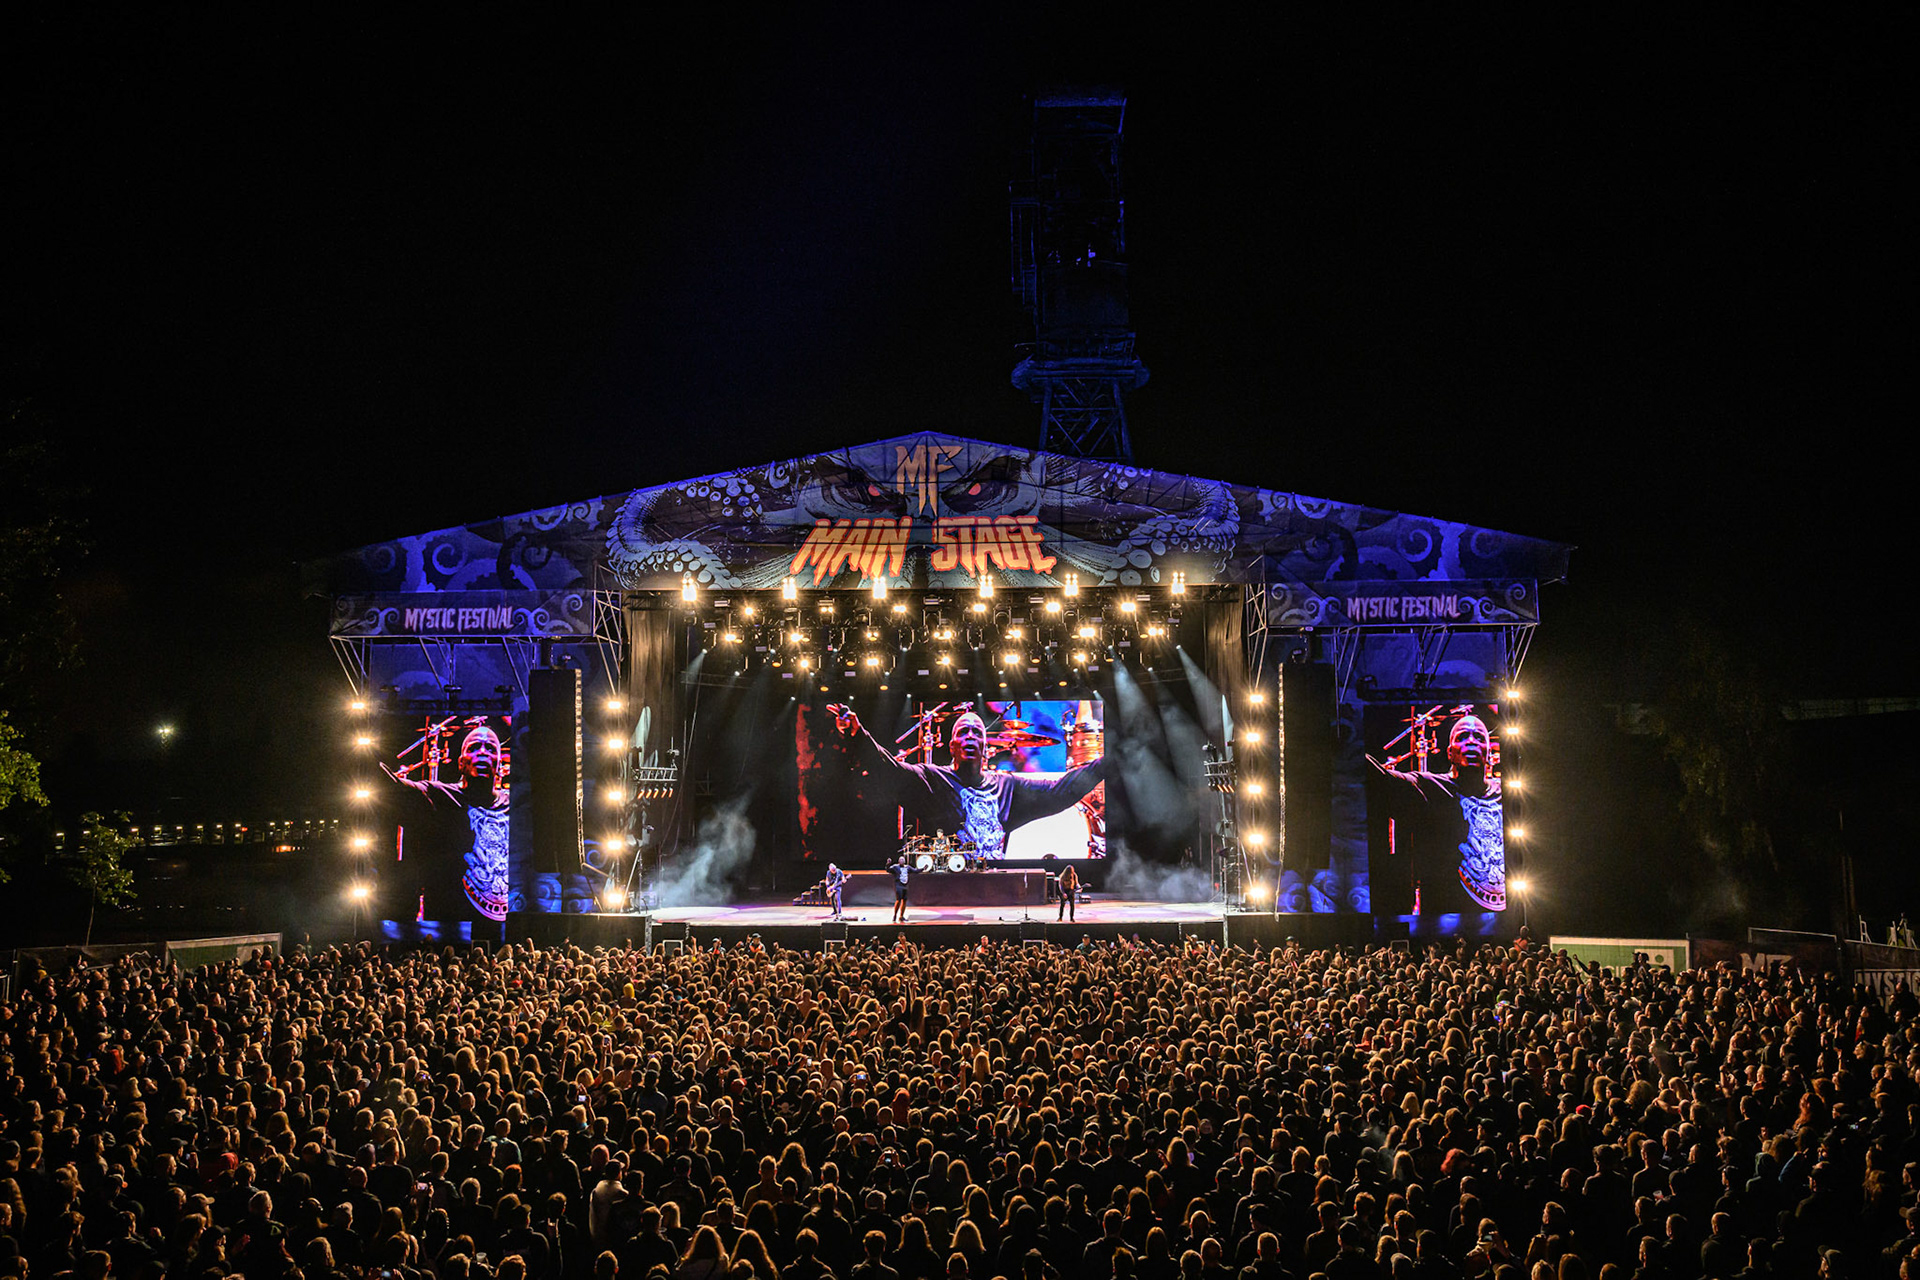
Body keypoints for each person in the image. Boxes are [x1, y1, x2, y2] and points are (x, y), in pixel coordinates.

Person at [826, 706, 1107, 860]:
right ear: (952, 746)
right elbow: (888, 769)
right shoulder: (934, 779)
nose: (971, 737)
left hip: (995, 887)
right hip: (948, 885)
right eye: (963, 732)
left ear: (986, 747)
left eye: (977, 733)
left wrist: (1109, 762)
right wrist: (857, 734)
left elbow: (1061, 791)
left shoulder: (1007, 788)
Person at [1368, 711, 1505, 913]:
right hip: (1448, 916)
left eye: (1479, 737)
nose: (1471, 742)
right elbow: (1380, 779)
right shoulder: (1431, 786)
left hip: (1500, 912)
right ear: (1450, 753)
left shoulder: (1506, 791)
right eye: (1462, 737)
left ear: (1488, 753)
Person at [381, 719, 514, 921]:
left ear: (498, 763)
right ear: (461, 763)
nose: (483, 752)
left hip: (503, 920)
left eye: (490, 748)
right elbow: (392, 787)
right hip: (452, 921)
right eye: (475, 747)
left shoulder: (516, 804)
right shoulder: (440, 795)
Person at [890, 852, 911, 923]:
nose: (902, 861)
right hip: (899, 886)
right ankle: (895, 915)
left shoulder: (907, 867)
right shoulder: (895, 867)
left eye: (903, 860)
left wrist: (923, 868)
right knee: (898, 900)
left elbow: (915, 870)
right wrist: (888, 864)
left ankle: (901, 916)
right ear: (899, 861)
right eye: (901, 860)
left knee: (904, 900)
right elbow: (888, 870)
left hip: (905, 886)